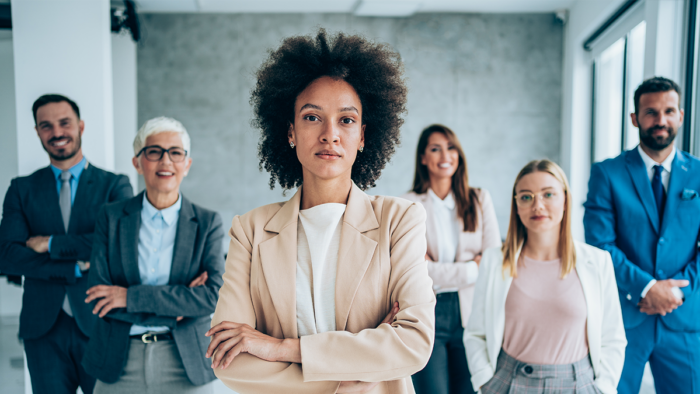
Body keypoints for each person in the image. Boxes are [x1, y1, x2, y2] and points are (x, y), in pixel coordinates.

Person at [206, 29, 436, 394]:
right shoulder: (250, 230)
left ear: (362, 136)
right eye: (313, 117)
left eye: (346, 120)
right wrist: (363, 366)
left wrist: (281, 349)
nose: (330, 134)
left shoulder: (400, 221)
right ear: (290, 132)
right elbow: (229, 360)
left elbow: (414, 344)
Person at [81, 117, 225, 394]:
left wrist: (128, 297)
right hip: (118, 360)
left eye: (175, 152)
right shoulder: (111, 218)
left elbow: (211, 297)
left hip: (186, 361)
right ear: (137, 162)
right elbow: (99, 299)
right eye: (154, 152)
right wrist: (178, 308)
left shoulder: (208, 223)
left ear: (187, 164)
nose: (165, 161)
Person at [0, 94, 133, 394]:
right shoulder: (21, 189)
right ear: (37, 131)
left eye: (64, 123)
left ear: (81, 126)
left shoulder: (115, 185)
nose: (57, 133)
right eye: (46, 126)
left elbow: (118, 246)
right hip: (42, 330)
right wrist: (73, 266)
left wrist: (50, 244)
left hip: (100, 323)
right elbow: (7, 256)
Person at [466, 159, 626, 394]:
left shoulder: (597, 261)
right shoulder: (494, 260)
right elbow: (475, 333)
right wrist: (484, 381)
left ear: (565, 199)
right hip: (509, 382)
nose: (537, 205)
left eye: (548, 194)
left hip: (578, 385)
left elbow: (612, 337)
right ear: (517, 205)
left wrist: (602, 388)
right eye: (526, 196)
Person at [584, 77, 700, 394]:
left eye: (668, 111)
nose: (660, 120)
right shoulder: (607, 174)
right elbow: (600, 244)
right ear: (635, 118)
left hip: (684, 317)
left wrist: (677, 293)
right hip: (623, 318)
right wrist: (647, 287)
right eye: (650, 112)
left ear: (680, 115)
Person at [402, 124, 501, 394]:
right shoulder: (408, 204)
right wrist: (471, 269)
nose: (445, 155)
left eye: (451, 147)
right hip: (427, 311)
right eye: (435, 148)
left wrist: (434, 268)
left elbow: (493, 262)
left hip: (472, 312)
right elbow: (414, 269)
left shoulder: (479, 200)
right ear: (423, 157)